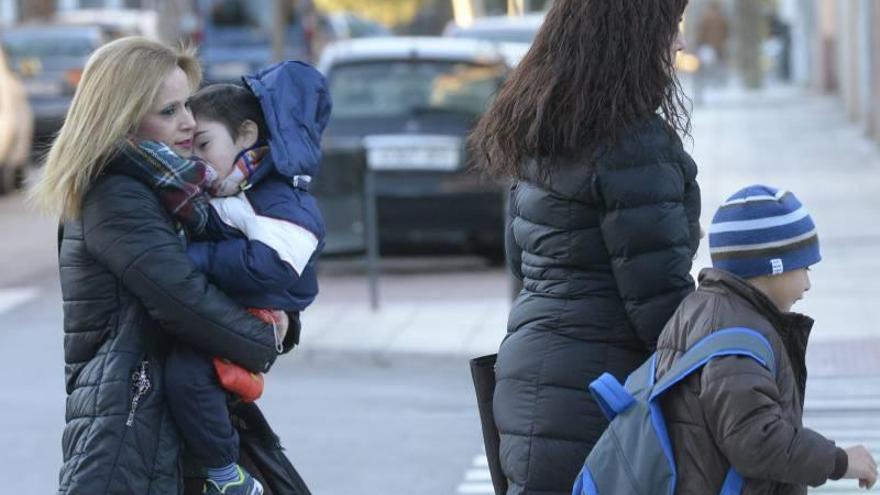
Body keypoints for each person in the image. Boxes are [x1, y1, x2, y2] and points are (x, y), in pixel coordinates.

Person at [30, 37, 287, 494]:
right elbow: (181, 298)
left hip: (173, 415)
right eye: (168, 112)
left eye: (186, 105)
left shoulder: (175, 190)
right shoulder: (116, 194)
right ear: (122, 118)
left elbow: (224, 271)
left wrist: (284, 315)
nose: (189, 122)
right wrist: (263, 336)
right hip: (131, 426)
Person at [468, 0, 699, 493]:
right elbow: (662, 310)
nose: (679, 42)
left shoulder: (539, 134)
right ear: (632, 38)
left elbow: (521, 266)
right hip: (598, 399)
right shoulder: (633, 145)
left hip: (525, 386)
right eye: (671, 27)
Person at [127, 62, 329, 494]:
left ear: (247, 136)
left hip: (250, 311)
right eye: (169, 111)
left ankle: (226, 475)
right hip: (225, 323)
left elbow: (273, 264)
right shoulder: (225, 189)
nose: (193, 155)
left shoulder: (272, 194)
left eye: (203, 143)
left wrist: (193, 257)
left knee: (189, 377)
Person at [655, 185, 879, 493]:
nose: (809, 284)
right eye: (804, 268)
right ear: (772, 267)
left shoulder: (701, 310)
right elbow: (757, 441)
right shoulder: (737, 337)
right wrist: (839, 461)